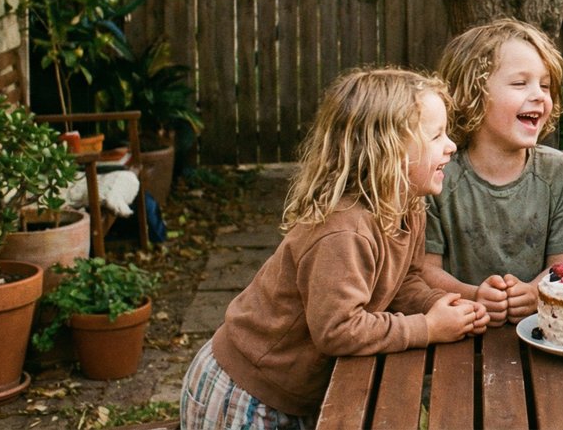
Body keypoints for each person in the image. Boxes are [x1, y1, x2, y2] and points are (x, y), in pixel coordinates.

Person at [179, 68, 488, 428]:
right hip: (248, 393)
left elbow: (404, 281)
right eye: (436, 135)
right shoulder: (344, 231)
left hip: (296, 392)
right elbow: (339, 329)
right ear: (388, 151)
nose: (451, 145)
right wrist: (427, 328)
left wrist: (438, 304)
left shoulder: (408, 207)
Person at [424, 18, 563, 327]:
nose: (539, 95)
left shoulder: (557, 172)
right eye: (520, 83)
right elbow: (425, 270)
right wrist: (473, 296)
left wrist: (536, 291)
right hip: (459, 329)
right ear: (472, 94)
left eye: (545, 85)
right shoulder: (441, 174)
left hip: (541, 329)